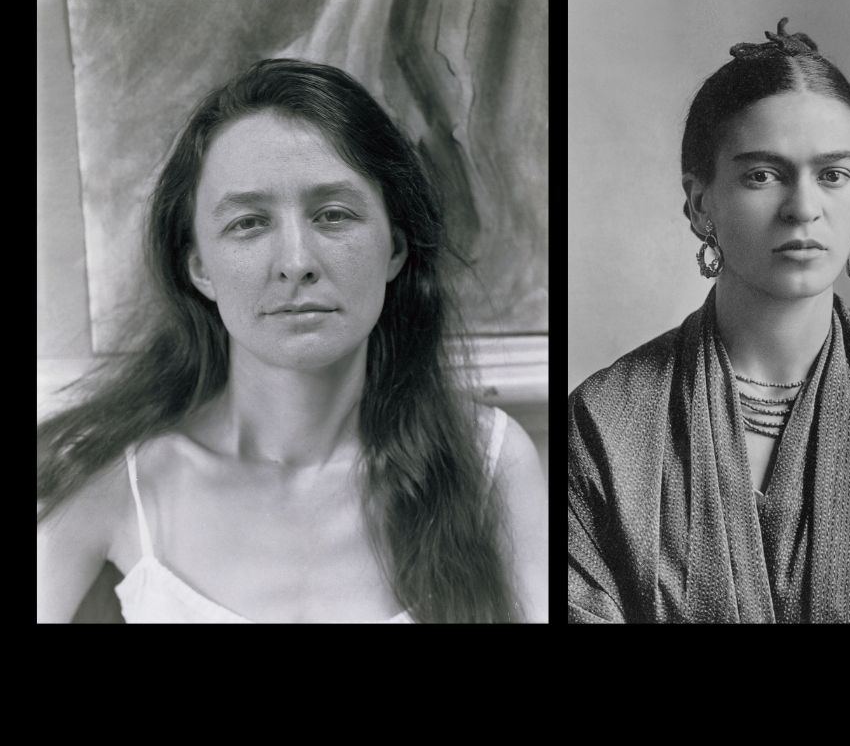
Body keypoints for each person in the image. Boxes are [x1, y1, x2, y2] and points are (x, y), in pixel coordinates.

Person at [38, 59, 548, 623]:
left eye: (333, 215)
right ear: (200, 268)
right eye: (249, 223)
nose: (297, 263)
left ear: (396, 250)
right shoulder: (115, 479)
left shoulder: (491, 463)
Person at [568, 19, 850, 624]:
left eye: (833, 174)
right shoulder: (606, 427)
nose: (804, 208)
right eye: (762, 175)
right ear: (699, 201)